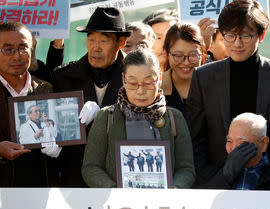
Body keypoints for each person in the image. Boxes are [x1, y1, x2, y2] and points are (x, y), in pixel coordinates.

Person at [187, 0, 270, 186]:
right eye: (230, 35)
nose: (237, 43)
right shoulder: (204, 76)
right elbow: (195, 139)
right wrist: (215, 180)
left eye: (245, 36)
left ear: (261, 35)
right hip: (218, 182)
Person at [82, 48, 195, 188]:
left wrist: (174, 189)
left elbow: (186, 169)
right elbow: (91, 167)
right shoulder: (106, 117)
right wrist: (114, 190)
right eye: (133, 83)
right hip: (117, 206)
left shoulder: (174, 118)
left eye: (148, 83)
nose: (140, 91)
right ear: (123, 80)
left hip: (163, 205)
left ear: (159, 79)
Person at [53, 7, 131, 186]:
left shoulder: (136, 76)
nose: (96, 47)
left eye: (103, 40)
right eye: (91, 39)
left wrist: (105, 113)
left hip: (120, 174)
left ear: (121, 42)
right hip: (74, 177)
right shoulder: (64, 76)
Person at [0, 21, 59, 187]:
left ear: (32, 50)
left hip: (42, 192)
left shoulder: (46, 89)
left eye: (23, 47)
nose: (17, 56)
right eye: (8, 49)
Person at [204, 113, 270, 190]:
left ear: (264, 143)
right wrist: (226, 176)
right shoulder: (212, 173)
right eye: (229, 141)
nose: (233, 149)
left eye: (242, 143)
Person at [161, 22, 205, 117]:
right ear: (166, 53)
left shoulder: (215, 84)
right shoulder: (156, 89)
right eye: (178, 55)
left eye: (193, 55)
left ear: (202, 52)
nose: (186, 62)